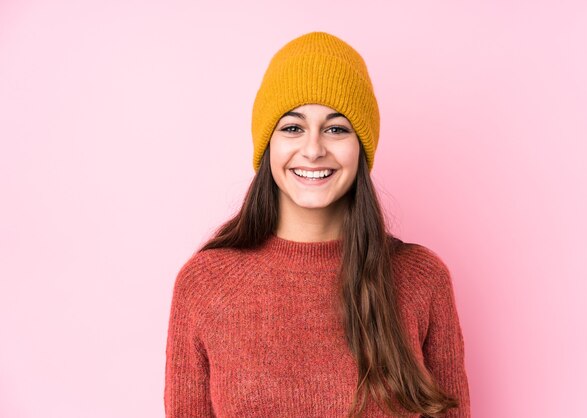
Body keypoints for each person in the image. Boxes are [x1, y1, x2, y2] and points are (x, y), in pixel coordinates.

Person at [164, 31, 471, 418]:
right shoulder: (205, 284)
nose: (313, 149)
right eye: (292, 128)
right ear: (267, 145)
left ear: (361, 146)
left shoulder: (421, 278)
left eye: (336, 128)